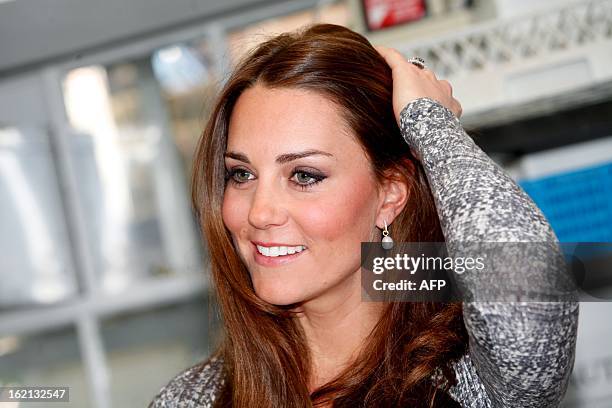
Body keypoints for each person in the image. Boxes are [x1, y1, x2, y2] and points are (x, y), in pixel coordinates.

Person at [149, 24, 578, 407]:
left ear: (390, 195)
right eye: (241, 174)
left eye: (303, 175)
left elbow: (525, 290)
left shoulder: (465, 378)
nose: (259, 212)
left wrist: (432, 124)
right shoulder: (194, 399)